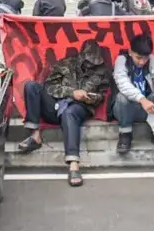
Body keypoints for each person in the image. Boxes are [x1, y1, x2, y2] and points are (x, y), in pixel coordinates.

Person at [15, 41, 112, 187]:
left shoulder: (101, 71)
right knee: (31, 87)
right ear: (81, 56)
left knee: (70, 112)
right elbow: (49, 86)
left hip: (80, 107)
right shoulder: (66, 64)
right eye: (88, 61)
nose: (91, 65)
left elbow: (102, 96)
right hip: (56, 104)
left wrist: (90, 97)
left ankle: (73, 164)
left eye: (94, 62)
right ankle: (35, 136)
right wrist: (72, 93)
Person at [112, 33, 154, 152]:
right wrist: (142, 99)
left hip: (150, 109)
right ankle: (125, 134)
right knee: (121, 97)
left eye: (145, 58)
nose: (142, 62)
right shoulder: (122, 60)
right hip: (126, 109)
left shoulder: (152, 59)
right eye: (138, 57)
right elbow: (123, 84)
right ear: (130, 52)